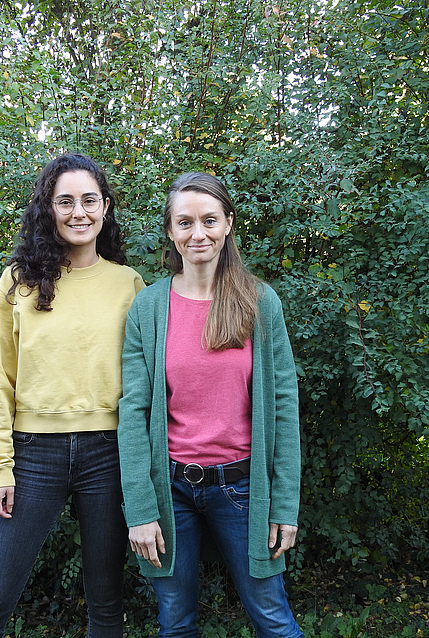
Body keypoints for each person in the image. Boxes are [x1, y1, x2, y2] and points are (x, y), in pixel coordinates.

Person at [0, 153, 145, 638]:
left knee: (106, 606)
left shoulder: (128, 285)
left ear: (105, 207)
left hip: (107, 454)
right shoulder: (17, 282)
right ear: (49, 208)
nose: (78, 212)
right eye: (65, 201)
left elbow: (143, 385)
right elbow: (0, 379)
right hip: (32, 456)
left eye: (89, 200)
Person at [117, 172, 303, 638]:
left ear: (229, 225)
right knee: (175, 624)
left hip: (243, 491)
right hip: (171, 491)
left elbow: (283, 405)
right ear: (170, 231)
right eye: (185, 222)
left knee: (273, 619)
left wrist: (284, 505)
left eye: (209, 220)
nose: (197, 233)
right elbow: (134, 412)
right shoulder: (149, 307)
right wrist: (140, 509)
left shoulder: (260, 302)